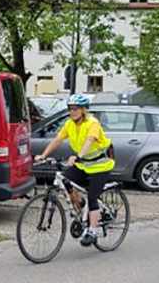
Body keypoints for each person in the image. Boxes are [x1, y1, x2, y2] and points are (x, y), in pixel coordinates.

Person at [34, 93, 115, 247]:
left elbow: (89, 141)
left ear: (84, 110)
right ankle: (82, 208)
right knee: (65, 181)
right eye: (69, 109)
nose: (71, 112)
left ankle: (92, 230)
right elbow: (57, 140)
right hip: (83, 165)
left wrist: (78, 156)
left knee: (92, 196)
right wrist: (43, 155)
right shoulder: (69, 124)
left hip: (101, 165)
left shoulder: (92, 123)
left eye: (75, 109)